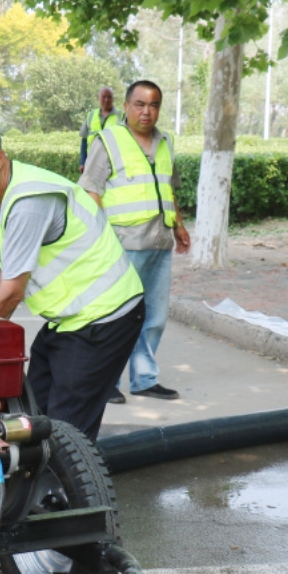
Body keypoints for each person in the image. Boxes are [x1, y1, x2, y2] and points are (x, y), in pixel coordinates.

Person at [0, 119, 144, 441]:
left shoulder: (26, 202)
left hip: (104, 317)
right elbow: (10, 275)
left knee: (65, 436)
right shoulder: (1, 196)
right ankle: (38, 481)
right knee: (33, 417)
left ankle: (70, 487)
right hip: (69, 319)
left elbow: (10, 293)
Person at [81, 79, 191, 401]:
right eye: (140, 104)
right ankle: (107, 383)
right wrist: (102, 237)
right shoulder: (109, 140)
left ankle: (144, 379)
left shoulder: (165, 142)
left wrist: (179, 226)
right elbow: (91, 189)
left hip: (160, 241)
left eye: (153, 105)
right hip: (124, 243)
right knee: (120, 316)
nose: (147, 111)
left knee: (154, 316)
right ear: (127, 107)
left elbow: (167, 188)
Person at [78, 86, 124, 171]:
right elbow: (84, 141)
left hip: (113, 163)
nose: (106, 99)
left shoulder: (122, 116)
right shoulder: (91, 115)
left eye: (109, 97)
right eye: (104, 96)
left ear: (113, 98)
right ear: (98, 98)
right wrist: (82, 162)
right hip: (92, 162)